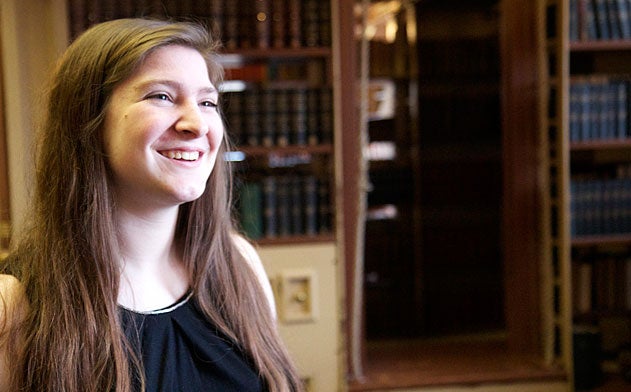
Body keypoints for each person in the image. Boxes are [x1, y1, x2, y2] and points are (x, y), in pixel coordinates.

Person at [0, 18, 303, 391]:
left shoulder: (241, 267)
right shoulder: (12, 306)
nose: (196, 123)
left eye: (207, 102)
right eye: (161, 96)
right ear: (87, 122)